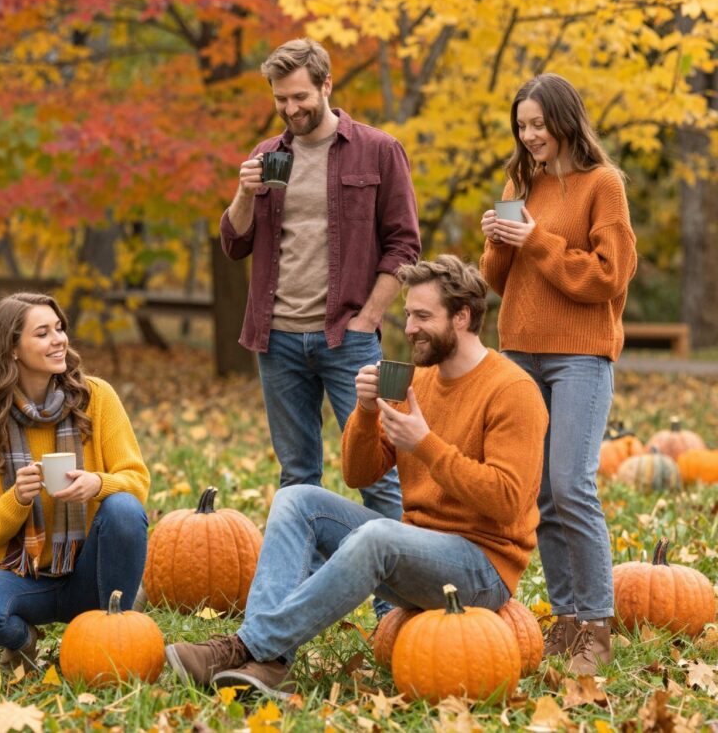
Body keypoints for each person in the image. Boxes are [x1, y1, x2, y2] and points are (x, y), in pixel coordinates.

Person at [165, 256, 547, 697]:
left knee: (379, 535)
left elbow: (507, 500)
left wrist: (425, 443)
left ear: (462, 317)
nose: (410, 327)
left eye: (423, 316)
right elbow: (357, 473)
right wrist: (365, 413)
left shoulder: (512, 391)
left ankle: (246, 647)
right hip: (414, 549)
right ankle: (270, 664)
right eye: (407, 315)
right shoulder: (416, 382)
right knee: (298, 500)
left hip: (482, 570)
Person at [220, 38, 420, 542]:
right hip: (277, 340)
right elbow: (234, 242)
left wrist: (368, 319)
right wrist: (245, 194)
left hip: (348, 338)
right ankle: (302, 597)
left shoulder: (378, 150)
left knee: (378, 474)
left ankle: (395, 605)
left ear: (326, 85)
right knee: (297, 479)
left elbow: (404, 246)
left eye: (300, 97)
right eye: (280, 100)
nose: (291, 110)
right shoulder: (267, 156)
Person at [480, 74, 637, 675]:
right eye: (522, 125)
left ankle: (597, 625)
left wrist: (536, 239)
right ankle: (566, 620)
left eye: (539, 124)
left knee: (572, 484)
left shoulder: (604, 185)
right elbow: (502, 279)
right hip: (520, 352)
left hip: (579, 354)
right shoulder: (522, 181)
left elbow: (609, 275)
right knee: (539, 493)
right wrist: (499, 240)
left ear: (566, 120)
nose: (530, 135)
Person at [0, 293, 151, 671]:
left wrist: (97, 484)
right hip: (24, 580)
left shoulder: (97, 398)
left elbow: (136, 482)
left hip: (89, 572)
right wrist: (17, 499)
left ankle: (115, 616)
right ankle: (24, 640)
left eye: (59, 329)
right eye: (42, 333)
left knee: (123, 507)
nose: (58, 339)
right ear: (12, 349)